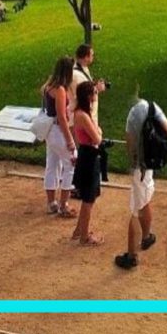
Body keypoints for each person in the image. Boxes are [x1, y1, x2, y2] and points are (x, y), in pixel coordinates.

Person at [115, 94, 167, 270]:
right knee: (144, 201)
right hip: (151, 163)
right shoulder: (154, 108)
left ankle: (131, 256)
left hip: (139, 167)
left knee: (135, 211)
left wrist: (134, 163)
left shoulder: (132, 116)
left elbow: (130, 143)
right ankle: (146, 237)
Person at [41, 55, 77, 218]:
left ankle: (51, 203)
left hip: (50, 131)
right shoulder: (61, 90)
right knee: (70, 164)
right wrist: (70, 140)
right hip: (58, 130)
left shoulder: (48, 86)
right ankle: (64, 204)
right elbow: (62, 117)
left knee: (52, 165)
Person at [70, 81, 105, 246]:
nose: (96, 95)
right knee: (89, 199)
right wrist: (99, 132)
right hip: (89, 157)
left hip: (86, 154)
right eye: (94, 93)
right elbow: (97, 138)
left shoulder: (79, 113)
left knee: (87, 197)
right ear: (88, 96)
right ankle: (84, 236)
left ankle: (79, 230)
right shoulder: (83, 116)